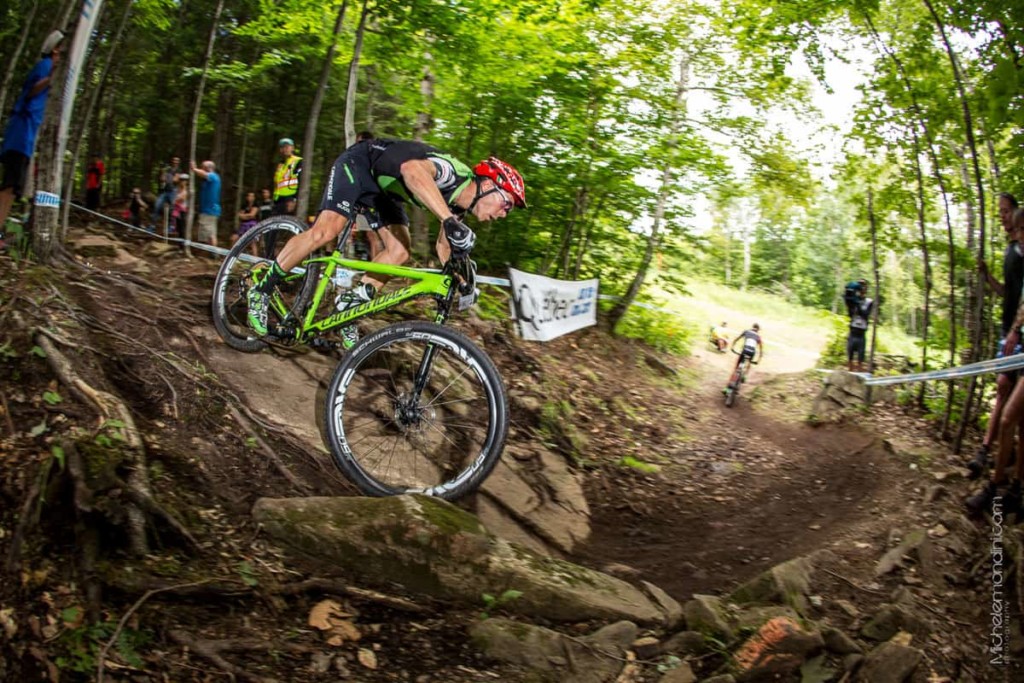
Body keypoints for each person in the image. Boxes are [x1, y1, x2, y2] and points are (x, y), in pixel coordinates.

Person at [246, 139, 526, 345]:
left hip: (384, 192)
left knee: (400, 251)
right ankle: (262, 288)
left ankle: (349, 304)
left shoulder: (459, 207)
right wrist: (447, 220)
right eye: (506, 205)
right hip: (360, 165)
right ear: (489, 185)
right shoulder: (453, 173)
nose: (503, 214)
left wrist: (459, 275)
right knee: (326, 231)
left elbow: (443, 247)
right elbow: (412, 171)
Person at [966, 205, 1024, 517]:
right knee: (1014, 416)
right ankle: (1010, 487)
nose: (1018, 238)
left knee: (1008, 417)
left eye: (1021, 231)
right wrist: (1015, 331)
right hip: (1019, 340)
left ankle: (996, 486)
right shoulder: (1013, 252)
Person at [0, 30, 63, 240]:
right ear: (55, 49)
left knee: (14, 187)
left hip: (26, 136)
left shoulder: (49, 68)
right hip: (21, 133)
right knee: (9, 185)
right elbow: (31, 91)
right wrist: (51, 77)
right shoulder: (45, 66)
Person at [191, 159, 221, 247]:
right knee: (207, 233)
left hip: (210, 210)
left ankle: (213, 253)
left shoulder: (213, 176)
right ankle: (210, 252)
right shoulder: (209, 179)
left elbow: (204, 174)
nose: (202, 169)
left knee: (210, 233)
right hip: (207, 209)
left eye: (203, 167)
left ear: (208, 168)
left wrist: (194, 169)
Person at [846, 280, 873, 373]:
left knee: (860, 359)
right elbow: (850, 314)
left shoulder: (869, 301)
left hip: (861, 334)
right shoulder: (853, 299)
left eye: (863, 285)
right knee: (850, 357)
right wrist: (849, 301)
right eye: (860, 285)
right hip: (852, 332)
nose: (861, 288)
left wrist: (858, 304)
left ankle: (859, 378)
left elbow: (865, 314)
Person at [272, 138, 303, 215]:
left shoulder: (298, 161)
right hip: (278, 199)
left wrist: (294, 199)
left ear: (292, 148)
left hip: (289, 198)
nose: (285, 149)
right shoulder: (280, 165)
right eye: (282, 147)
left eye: (287, 147)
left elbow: (301, 182)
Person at [727, 323, 763, 387]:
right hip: (752, 352)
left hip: (744, 350)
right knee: (749, 362)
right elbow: (761, 350)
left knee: (736, 368)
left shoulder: (746, 331)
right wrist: (758, 360)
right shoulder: (758, 336)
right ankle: (745, 375)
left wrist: (732, 347)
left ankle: (727, 388)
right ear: (758, 330)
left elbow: (736, 339)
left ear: (752, 327)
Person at [151, 155, 181, 231]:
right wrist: (165, 174)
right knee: (157, 206)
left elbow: (176, 180)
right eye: (174, 160)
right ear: (172, 161)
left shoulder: (179, 170)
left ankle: (172, 226)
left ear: (178, 162)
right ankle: (152, 226)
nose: (175, 162)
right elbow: (162, 179)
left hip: (173, 191)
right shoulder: (168, 169)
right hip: (165, 191)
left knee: (172, 209)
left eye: (177, 160)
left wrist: (167, 178)